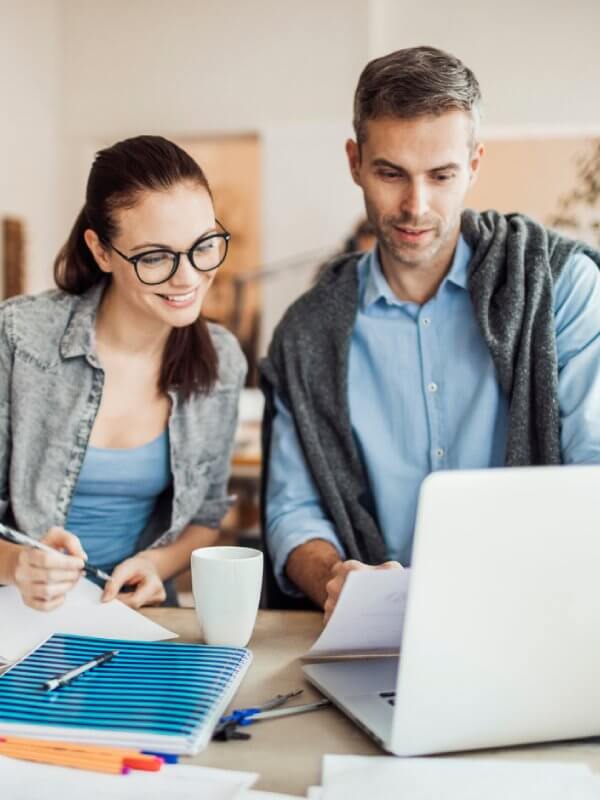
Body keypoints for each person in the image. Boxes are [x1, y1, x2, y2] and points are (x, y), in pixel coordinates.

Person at [261, 46, 600, 619]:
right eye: (390, 173)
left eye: (441, 175)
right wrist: (332, 579)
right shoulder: (307, 332)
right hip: (375, 632)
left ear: (475, 164)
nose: (415, 206)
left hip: (537, 616)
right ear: (354, 161)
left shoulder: (561, 287)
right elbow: (293, 510)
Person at [0, 135, 246, 610]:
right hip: (19, 618)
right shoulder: (18, 337)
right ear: (101, 250)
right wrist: (17, 565)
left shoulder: (222, 359)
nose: (189, 277)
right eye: (155, 257)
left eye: (203, 246)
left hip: (139, 619)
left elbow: (207, 517)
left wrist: (157, 564)